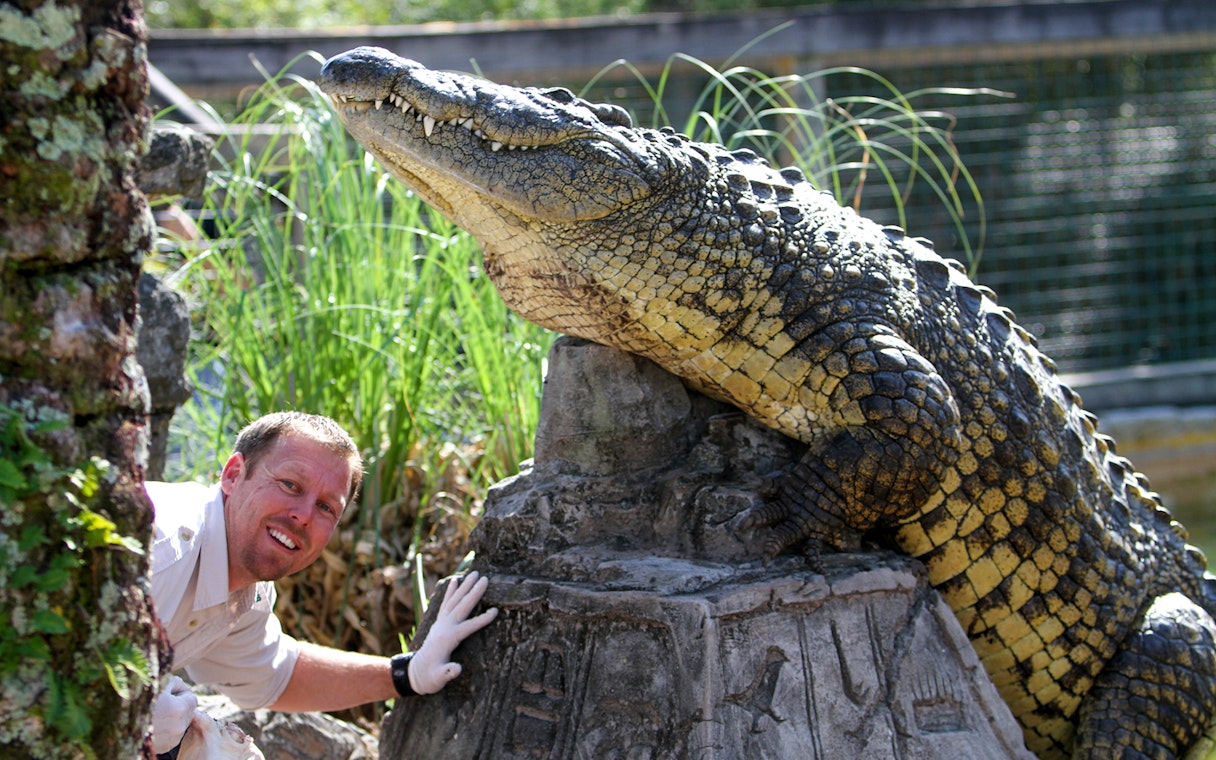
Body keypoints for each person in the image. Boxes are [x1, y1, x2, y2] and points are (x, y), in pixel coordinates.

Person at [143, 411, 498, 756]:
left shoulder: (246, 591)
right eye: (290, 485)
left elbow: (277, 674)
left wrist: (409, 673)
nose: (304, 515)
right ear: (234, 474)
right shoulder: (160, 546)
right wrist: (133, 721)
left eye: (327, 508)